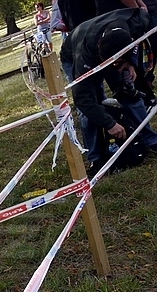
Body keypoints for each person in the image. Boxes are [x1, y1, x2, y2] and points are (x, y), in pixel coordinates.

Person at [60, 7, 157, 174]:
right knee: (91, 107)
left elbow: (139, 37)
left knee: (127, 91)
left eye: (116, 62)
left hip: (114, 49)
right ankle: (96, 159)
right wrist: (109, 124)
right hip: (75, 52)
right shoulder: (84, 56)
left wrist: (130, 62)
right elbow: (83, 99)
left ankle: (150, 140)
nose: (114, 66)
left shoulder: (137, 21)